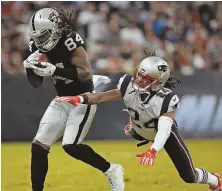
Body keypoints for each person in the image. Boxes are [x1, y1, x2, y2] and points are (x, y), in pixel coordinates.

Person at [58, 53, 221, 191]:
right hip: (140, 129)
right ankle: (135, 122)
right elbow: (102, 96)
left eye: (146, 77)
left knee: (189, 176)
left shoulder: (167, 99)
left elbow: (164, 129)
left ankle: (214, 180)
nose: (140, 79)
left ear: (158, 82)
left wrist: (153, 150)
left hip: (162, 134)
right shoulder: (128, 83)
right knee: (138, 124)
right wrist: (80, 98)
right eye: (140, 74)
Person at [23, 7, 124, 191]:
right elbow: (36, 83)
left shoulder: (70, 39)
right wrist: (30, 67)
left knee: (70, 145)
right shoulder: (37, 44)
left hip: (82, 98)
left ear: (54, 29)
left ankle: (111, 170)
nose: (39, 41)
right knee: (39, 146)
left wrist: (55, 70)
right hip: (61, 98)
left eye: (43, 35)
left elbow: (86, 74)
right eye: (37, 36)